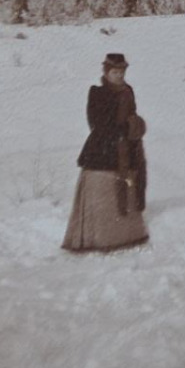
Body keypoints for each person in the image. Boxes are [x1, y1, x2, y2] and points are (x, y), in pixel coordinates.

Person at [62, 52, 149, 253]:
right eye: (114, 72)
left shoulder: (128, 91)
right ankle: (96, 238)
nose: (118, 75)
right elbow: (97, 124)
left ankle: (126, 235)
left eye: (121, 71)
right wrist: (127, 127)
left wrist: (135, 126)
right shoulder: (97, 93)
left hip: (126, 150)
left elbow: (131, 115)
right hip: (102, 151)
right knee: (102, 195)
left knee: (126, 189)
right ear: (106, 72)